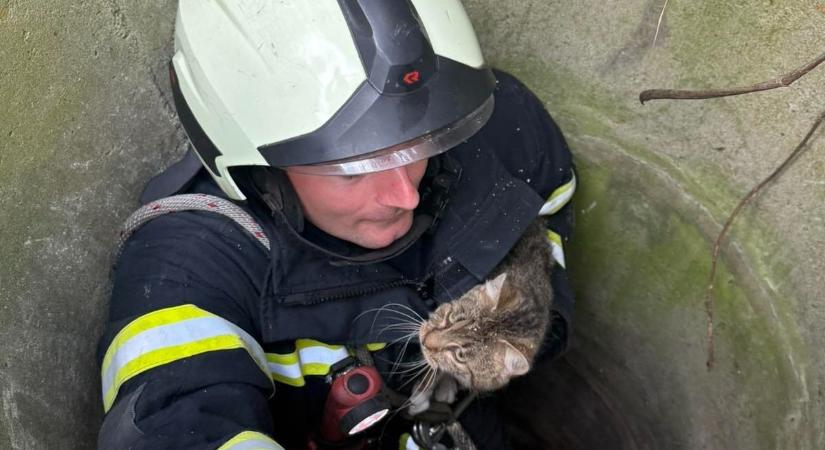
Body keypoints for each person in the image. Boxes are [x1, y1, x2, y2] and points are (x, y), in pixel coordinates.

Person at [97, 1, 576, 449]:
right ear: (256, 159)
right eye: (352, 168)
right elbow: (177, 420)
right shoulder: (189, 265)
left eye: (419, 144)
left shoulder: (502, 127)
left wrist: (530, 314)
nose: (404, 195)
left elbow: (552, 209)